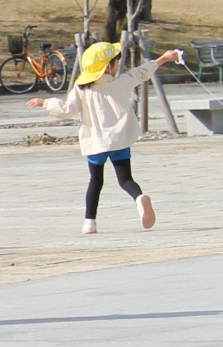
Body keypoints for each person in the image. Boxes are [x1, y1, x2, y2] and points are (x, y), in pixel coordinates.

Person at [29, 41, 179, 235]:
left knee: (95, 181)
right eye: (116, 62)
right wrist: (164, 58)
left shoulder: (81, 89)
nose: (118, 66)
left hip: (95, 143)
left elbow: (66, 110)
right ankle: (139, 198)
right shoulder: (121, 82)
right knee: (125, 179)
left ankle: (89, 222)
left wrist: (45, 103)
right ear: (108, 66)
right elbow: (142, 72)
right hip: (119, 140)